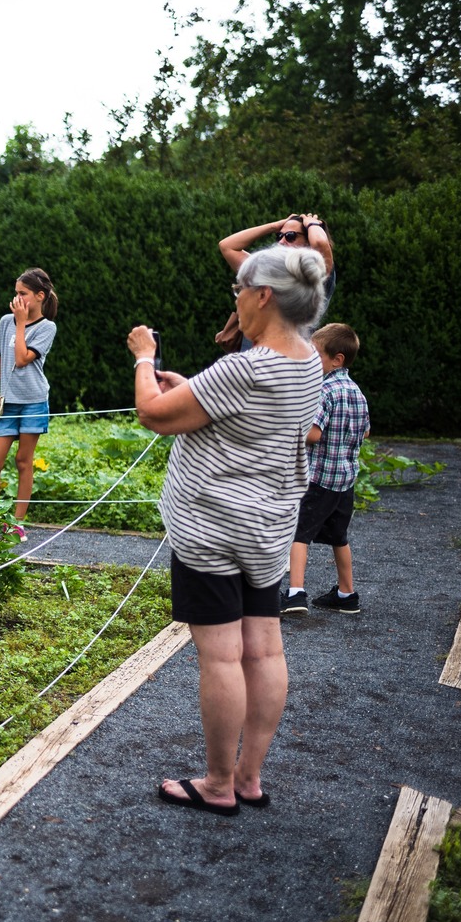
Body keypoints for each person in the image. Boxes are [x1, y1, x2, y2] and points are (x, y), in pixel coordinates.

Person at [127, 245, 325, 816]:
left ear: (263, 296)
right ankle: (248, 778)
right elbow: (251, 418)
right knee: (263, 649)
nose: (235, 299)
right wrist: (195, 386)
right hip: (268, 527)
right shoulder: (309, 358)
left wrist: (146, 359)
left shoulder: (246, 367)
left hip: (212, 528)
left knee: (219, 656)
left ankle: (215, 784)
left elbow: (155, 415)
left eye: (239, 289)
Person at [282, 323, 370, 616]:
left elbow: (314, 434)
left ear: (337, 359)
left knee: (298, 533)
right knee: (339, 536)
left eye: (315, 354)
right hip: (345, 480)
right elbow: (365, 432)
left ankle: (295, 593)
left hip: (318, 480)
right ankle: (347, 594)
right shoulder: (357, 392)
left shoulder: (324, 390)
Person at [0, 268, 59, 521]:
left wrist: (21, 323)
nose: (17, 298)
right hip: (7, 402)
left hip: (34, 402)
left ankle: (18, 523)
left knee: (23, 461)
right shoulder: (5, 322)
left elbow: (22, 359)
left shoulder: (47, 327)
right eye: (16, 293)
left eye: (23, 293)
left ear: (39, 296)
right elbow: (1, 360)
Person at [215, 213, 334, 349]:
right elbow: (227, 246)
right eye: (279, 236)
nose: (282, 241)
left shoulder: (314, 273)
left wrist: (313, 224)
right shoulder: (268, 270)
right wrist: (274, 226)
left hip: (287, 359)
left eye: (290, 236)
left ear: (308, 243)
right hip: (251, 357)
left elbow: (319, 243)